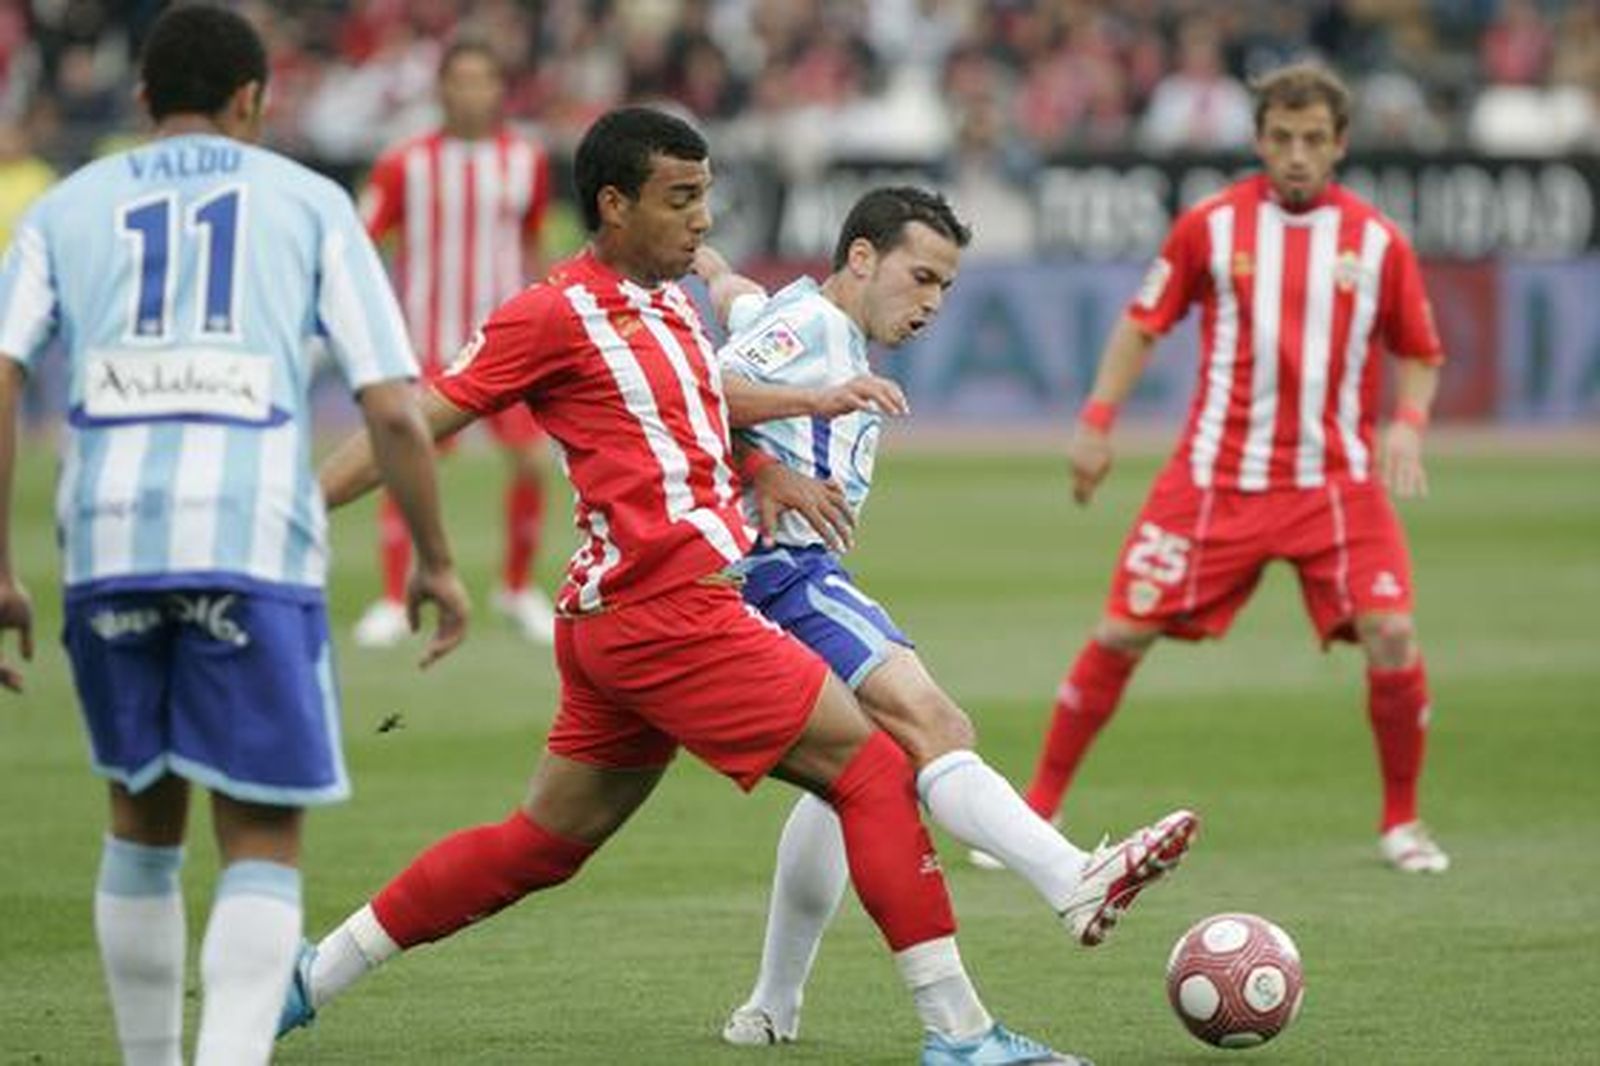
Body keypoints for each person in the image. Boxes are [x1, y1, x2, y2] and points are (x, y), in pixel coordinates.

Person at [281, 106, 1106, 1065]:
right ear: (614, 204)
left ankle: (308, 978)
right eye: (682, 200)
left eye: (707, 196)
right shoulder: (553, 311)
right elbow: (411, 420)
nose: (703, 219)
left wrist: (769, 469)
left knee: (542, 843)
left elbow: (698, 422)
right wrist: (292, 513)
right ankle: (961, 1037)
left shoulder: (671, 305)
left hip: (617, 619)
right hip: (670, 607)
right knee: (877, 767)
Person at [0, 6, 469, 1065]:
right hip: (253, 540)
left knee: (141, 820)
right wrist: (435, 561)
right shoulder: (307, 203)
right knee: (260, 833)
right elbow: (394, 408)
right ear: (253, 99)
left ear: (140, 101)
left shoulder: (67, 207)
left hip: (108, 540)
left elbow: (3, 369)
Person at [688, 187, 1197, 1048]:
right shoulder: (812, 332)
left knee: (851, 774)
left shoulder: (799, 314)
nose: (929, 301)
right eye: (920, 276)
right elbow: (696, 393)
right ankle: (1073, 877)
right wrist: (766, 471)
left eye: (945, 288)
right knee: (935, 723)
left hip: (761, 575)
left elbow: (735, 293)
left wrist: (707, 264)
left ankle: (772, 1008)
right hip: (779, 573)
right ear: (860, 259)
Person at [1002, 61, 1449, 875]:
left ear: (1341, 144)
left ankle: (1402, 822)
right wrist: (1097, 424)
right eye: (1281, 138)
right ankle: (1037, 810)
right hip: (1215, 479)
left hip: (1336, 487)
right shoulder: (1210, 227)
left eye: (1314, 140)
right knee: (1121, 628)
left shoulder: (1378, 243)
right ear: (1258, 140)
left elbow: (1419, 351)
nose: (1297, 155)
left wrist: (1409, 425)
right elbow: (1143, 324)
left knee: (1391, 630)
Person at [351, 38, 558, 648]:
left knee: (532, 461)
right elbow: (365, 246)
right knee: (409, 465)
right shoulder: (404, 163)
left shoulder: (527, 160)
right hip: (426, 344)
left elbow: (533, 242)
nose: (473, 92)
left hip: (506, 346)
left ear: (499, 88)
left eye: (484, 79)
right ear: (442, 87)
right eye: (461, 80)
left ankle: (516, 588)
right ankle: (394, 596)